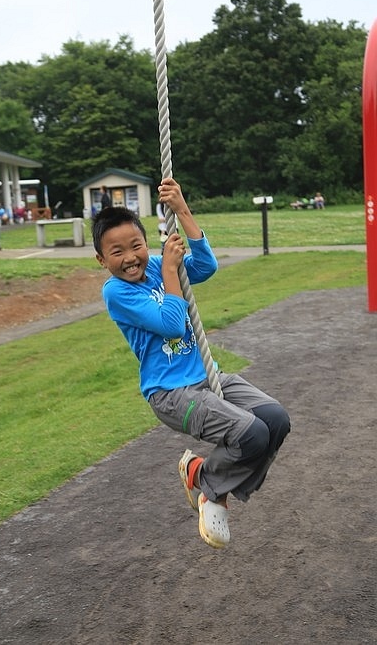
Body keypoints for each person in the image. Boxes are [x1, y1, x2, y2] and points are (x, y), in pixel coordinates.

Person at [92, 177, 290, 549]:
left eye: (136, 245)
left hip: (208, 376)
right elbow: (169, 324)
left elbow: (205, 266)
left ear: (145, 242)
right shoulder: (116, 291)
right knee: (251, 433)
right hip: (171, 392)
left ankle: (203, 474)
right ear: (101, 260)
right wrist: (168, 269)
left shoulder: (154, 264)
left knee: (276, 420)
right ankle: (212, 491)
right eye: (116, 252)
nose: (131, 257)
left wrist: (182, 210)